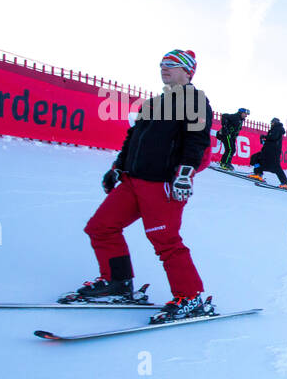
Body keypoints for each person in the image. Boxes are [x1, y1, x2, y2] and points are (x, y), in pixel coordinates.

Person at [76, 48, 214, 322]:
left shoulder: (195, 100)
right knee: (101, 228)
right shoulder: (152, 103)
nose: (165, 68)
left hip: (162, 183)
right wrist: (117, 168)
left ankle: (190, 297)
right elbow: (133, 139)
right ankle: (118, 282)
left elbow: (196, 142)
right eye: (163, 64)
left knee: (165, 241)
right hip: (132, 180)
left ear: (189, 72)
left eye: (173, 64)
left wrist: (184, 174)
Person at [250, 117, 287, 188]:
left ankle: (284, 183)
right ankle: (258, 174)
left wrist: (265, 137)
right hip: (268, 151)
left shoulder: (278, 129)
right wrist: (265, 139)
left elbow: (273, 137)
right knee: (256, 158)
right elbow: (272, 139)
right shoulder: (275, 129)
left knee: (276, 167)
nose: (271, 124)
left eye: (272, 122)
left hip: (273, 152)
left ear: (275, 122)